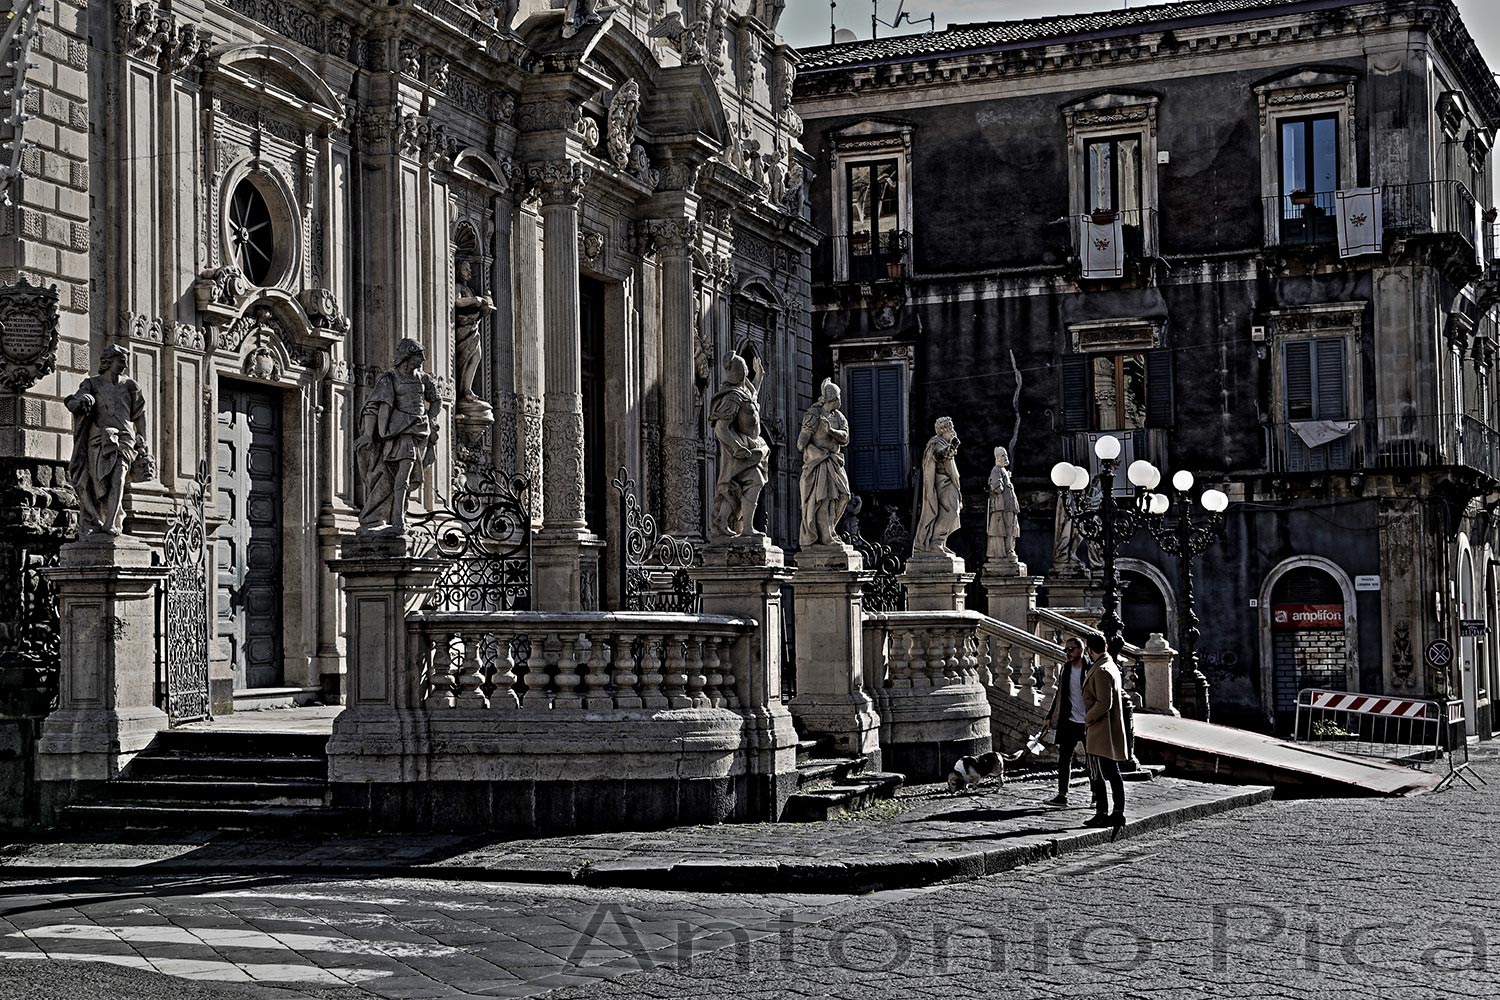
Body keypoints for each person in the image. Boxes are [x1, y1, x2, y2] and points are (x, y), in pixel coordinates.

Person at [356, 338, 442, 535]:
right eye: (419, 356)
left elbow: (436, 400)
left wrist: (430, 418)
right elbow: (373, 406)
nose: (423, 359)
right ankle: (396, 519)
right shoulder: (390, 378)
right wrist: (369, 434)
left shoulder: (423, 378)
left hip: (419, 432)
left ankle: (399, 516)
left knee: (407, 474)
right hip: (399, 433)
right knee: (401, 474)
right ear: (407, 356)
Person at [65, 345, 152, 536]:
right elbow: (71, 403)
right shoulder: (92, 384)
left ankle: (111, 523)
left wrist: (143, 441)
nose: (124, 365)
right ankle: (99, 519)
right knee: (99, 484)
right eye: (121, 360)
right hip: (98, 439)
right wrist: (83, 400)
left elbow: (139, 416)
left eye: (126, 361)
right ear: (109, 361)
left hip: (125, 439)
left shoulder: (131, 386)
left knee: (119, 478)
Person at [709, 351, 770, 538]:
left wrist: (759, 376)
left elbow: (752, 398)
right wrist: (736, 447)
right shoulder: (733, 397)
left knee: (736, 485)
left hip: (752, 446)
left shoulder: (742, 394)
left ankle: (723, 521)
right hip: (741, 448)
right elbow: (721, 428)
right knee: (753, 481)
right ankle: (747, 528)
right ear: (741, 373)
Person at [797, 379, 852, 547]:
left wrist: (831, 431)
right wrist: (814, 452)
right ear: (834, 398)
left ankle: (829, 530)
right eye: (839, 396)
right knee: (824, 498)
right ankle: (826, 535)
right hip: (819, 463)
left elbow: (845, 438)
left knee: (844, 496)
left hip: (835, 461)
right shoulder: (814, 415)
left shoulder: (839, 416)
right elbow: (801, 443)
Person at [1082, 632, 1129, 827]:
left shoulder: (1101, 669)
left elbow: (1103, 703)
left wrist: (1087, 719)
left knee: (1099, 773)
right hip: (1107, 728)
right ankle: (1116, 812)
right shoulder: (1110, 666)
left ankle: (1104, 812)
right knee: (1111, 771)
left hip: (1100, 729)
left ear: (1089, 650)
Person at [1042, 636, 1090, 808]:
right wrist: (1049, 717)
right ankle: (1062, 795)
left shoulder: (1090, 668)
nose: (1068, 653)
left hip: (1087, 721)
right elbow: (1060, 695)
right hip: (1069, 720)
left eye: (1071, 649)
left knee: (1092, 760)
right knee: (1064, 758)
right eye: (1066, 650)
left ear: (1081, 650)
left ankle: (1096, 796)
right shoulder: (1066, 669)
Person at [912, 416, 961, 555]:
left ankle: (941, 542)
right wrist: (952, 447)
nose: (953, 431)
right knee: (950, 513)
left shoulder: (943, 443)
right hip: (942, 484)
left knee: (949, 513)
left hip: (949, 484)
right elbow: (940, 456)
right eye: (950, 429)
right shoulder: (936, 443)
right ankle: (935, 542)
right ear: (942, 430)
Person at [986, 445, 1020, 562]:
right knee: (1007, 529)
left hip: (1009, 506)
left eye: (1005, 455)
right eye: (1002, 455)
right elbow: (997, 487)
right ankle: (1007, 551)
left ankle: (1009, 550)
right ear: (997, 458)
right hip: (1003, 507)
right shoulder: (996, 470)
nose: (1005, 457)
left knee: (1011, 528)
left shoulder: (1002, 470)